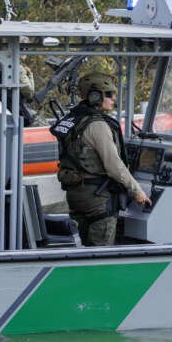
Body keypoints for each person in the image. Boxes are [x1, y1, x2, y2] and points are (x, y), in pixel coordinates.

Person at [52, 72, 150, 246]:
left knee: (85, 249)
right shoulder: (97, 125)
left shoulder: (74, 118)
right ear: (96, 96)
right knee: (100, 254)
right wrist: (137, 191)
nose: (113, 99)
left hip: (76, 195)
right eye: (110, 94)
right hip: (97, 198)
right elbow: (114, 166)